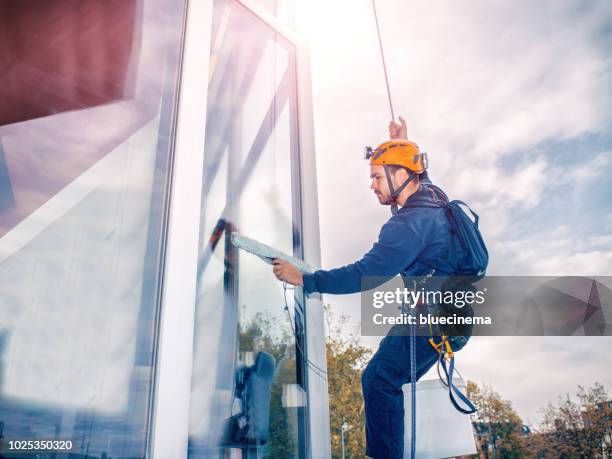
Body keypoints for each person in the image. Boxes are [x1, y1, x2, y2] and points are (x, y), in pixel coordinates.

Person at [272, 117, 471, 459]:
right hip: (454, 314)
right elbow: (421, 176)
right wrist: (405, 142)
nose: (372, 185)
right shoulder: (434, 199)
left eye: (378, 176)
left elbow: (364, 273)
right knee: (383, 376)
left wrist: (305, 278)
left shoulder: (408, 226)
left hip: (436, 319)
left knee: (380, 380)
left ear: (401, 175)